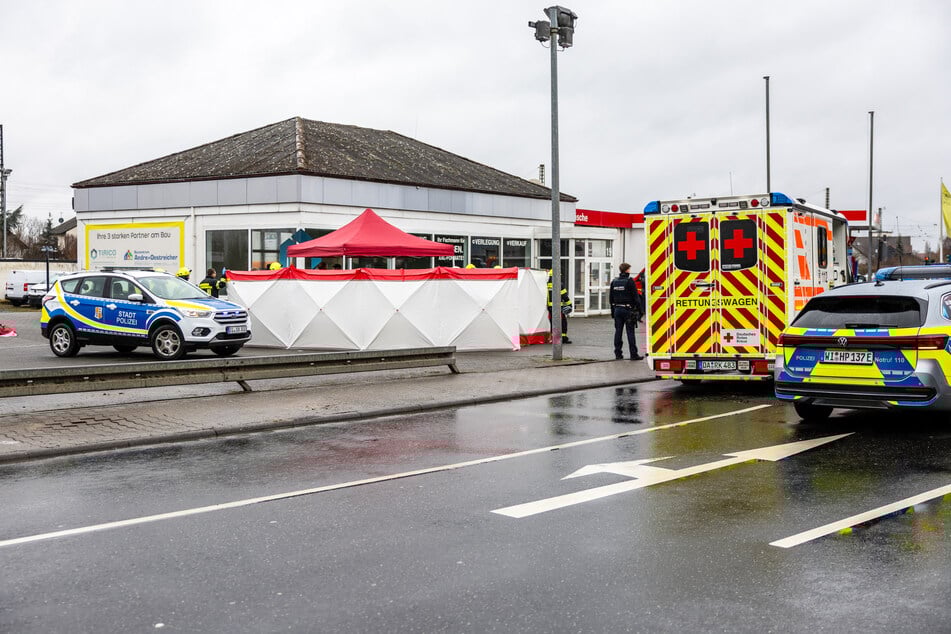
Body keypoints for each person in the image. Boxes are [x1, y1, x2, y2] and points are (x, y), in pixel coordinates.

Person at [609, 262, 644, 360]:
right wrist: (640, 311)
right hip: (628, 310)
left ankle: (618, 354)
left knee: (618, 332)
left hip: (617, 310)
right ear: (627, 270)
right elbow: (636, 297)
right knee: (630, 332)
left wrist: (613, 312)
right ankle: (633, 354)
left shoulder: (614, 282)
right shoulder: (630, 281)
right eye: (629, 269)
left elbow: (611, 299)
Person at [547, 269, 573, 344]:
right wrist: (569, 305)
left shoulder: (546, 284)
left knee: (552, 322)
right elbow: (564, 296)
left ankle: (553, 338)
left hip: (549, 307)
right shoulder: (559, 284)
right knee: (563, 322)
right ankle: (563, 338)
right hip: (558, 307)